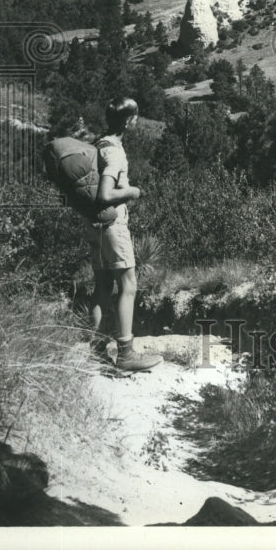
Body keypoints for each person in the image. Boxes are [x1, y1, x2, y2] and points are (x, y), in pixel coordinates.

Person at [86, 97, 162, 372]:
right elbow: (105, 194)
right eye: (136, 117)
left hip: (95, 225)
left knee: (102, 287)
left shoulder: (99, 144)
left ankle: (93, 350)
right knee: (128, 285)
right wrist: (132, 191)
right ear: (129, 120)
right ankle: (127, 354)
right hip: (113, 226)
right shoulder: (115, 152)